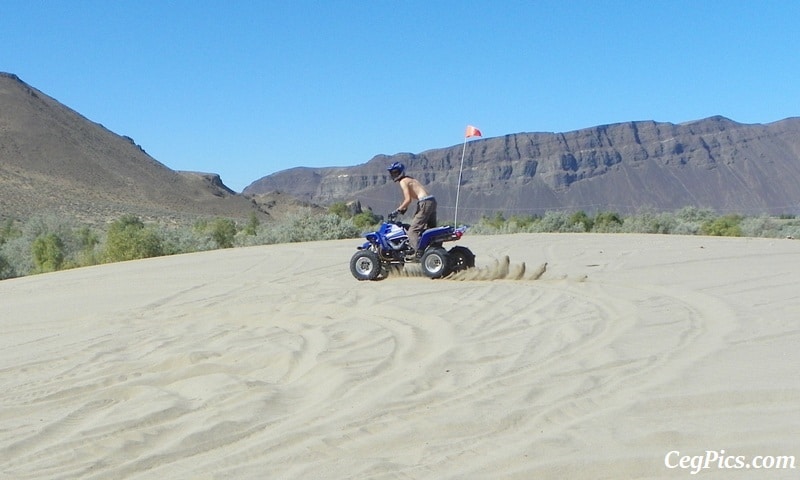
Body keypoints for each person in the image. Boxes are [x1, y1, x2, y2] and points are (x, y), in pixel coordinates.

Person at [388, 162, 437, 256]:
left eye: (396, 172)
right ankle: (435, 250)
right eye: (392, 173)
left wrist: (397, 211)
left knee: (413, 230)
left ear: (400, 172)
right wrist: (403, 208)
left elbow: (408, 199)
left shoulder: (403, 181)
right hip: (431, 201)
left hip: (424, 202)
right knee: (430, 230)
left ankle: (418, 253)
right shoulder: (410, 179)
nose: (394, 175)